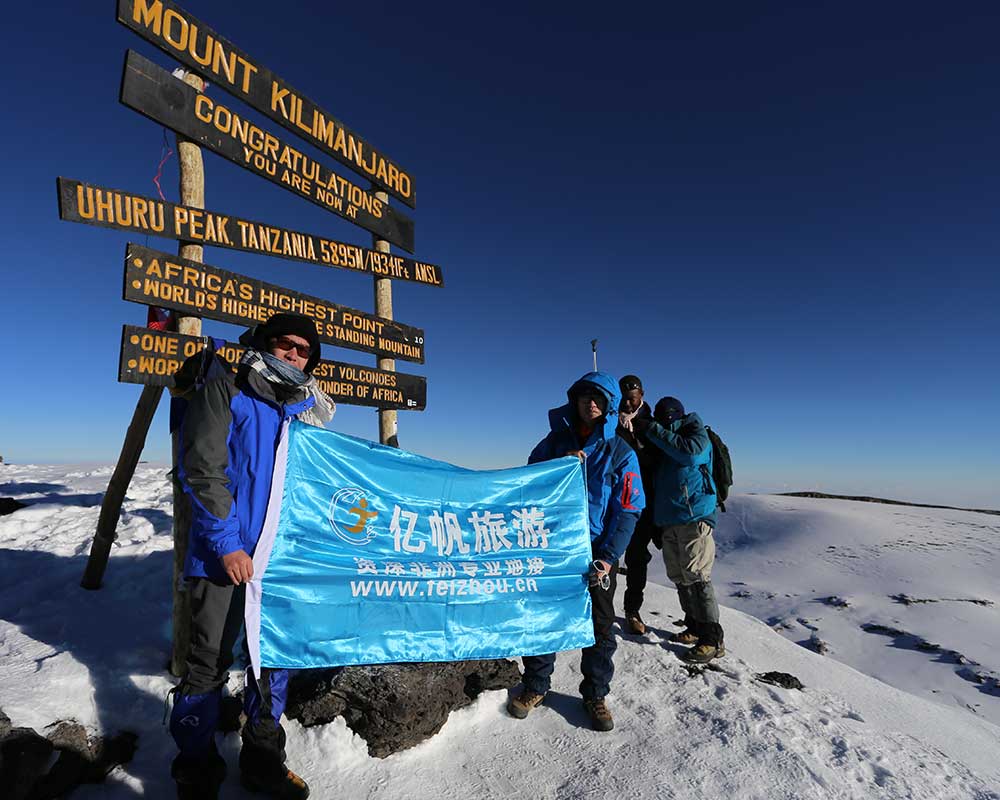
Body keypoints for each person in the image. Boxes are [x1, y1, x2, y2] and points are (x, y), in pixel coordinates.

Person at [169, 313, 334, 800]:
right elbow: (201, 468)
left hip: (278, 561)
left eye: (303, 350)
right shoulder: (228, 387)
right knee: (207, 663)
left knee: (273, 661)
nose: (292, 353)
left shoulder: (302, 411)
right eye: (283, 343)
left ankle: (263, 760)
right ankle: (194, 766)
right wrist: (227, 544)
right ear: (264, 344)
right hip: (224, 557)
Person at [507, 372, 644, 731]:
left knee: (600, 628)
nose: (591, 403)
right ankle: (536, 685)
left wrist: (609, 557)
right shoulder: (552, 444)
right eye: (584, 397)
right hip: (553, 551)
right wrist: (558, 468)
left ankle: (595, 694)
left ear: (610, 405)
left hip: (597, 555)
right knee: (541, 620)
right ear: (575, 401)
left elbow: (628, 509)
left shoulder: (620, 452)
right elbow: (527, 487)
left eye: (598, 397)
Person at [633, 396, 724, 663]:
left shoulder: (694, 431)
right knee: (680, 576)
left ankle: (712, 639)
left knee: (697, 577)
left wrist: (652, 429)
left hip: (695, 516)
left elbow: (691, 454)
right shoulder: (662, 441)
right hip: (670, 519)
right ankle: (694, 627)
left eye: (664, 418)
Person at [615, 374, 661, 636]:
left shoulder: (652, 426)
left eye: (632, 398)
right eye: (624, 398)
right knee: (604, 556)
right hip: (613, 500)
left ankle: (632, 611)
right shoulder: (611, 423)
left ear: (642, 394)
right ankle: (599, 610)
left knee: (636, 558)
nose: (628, 403)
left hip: (642, 503)